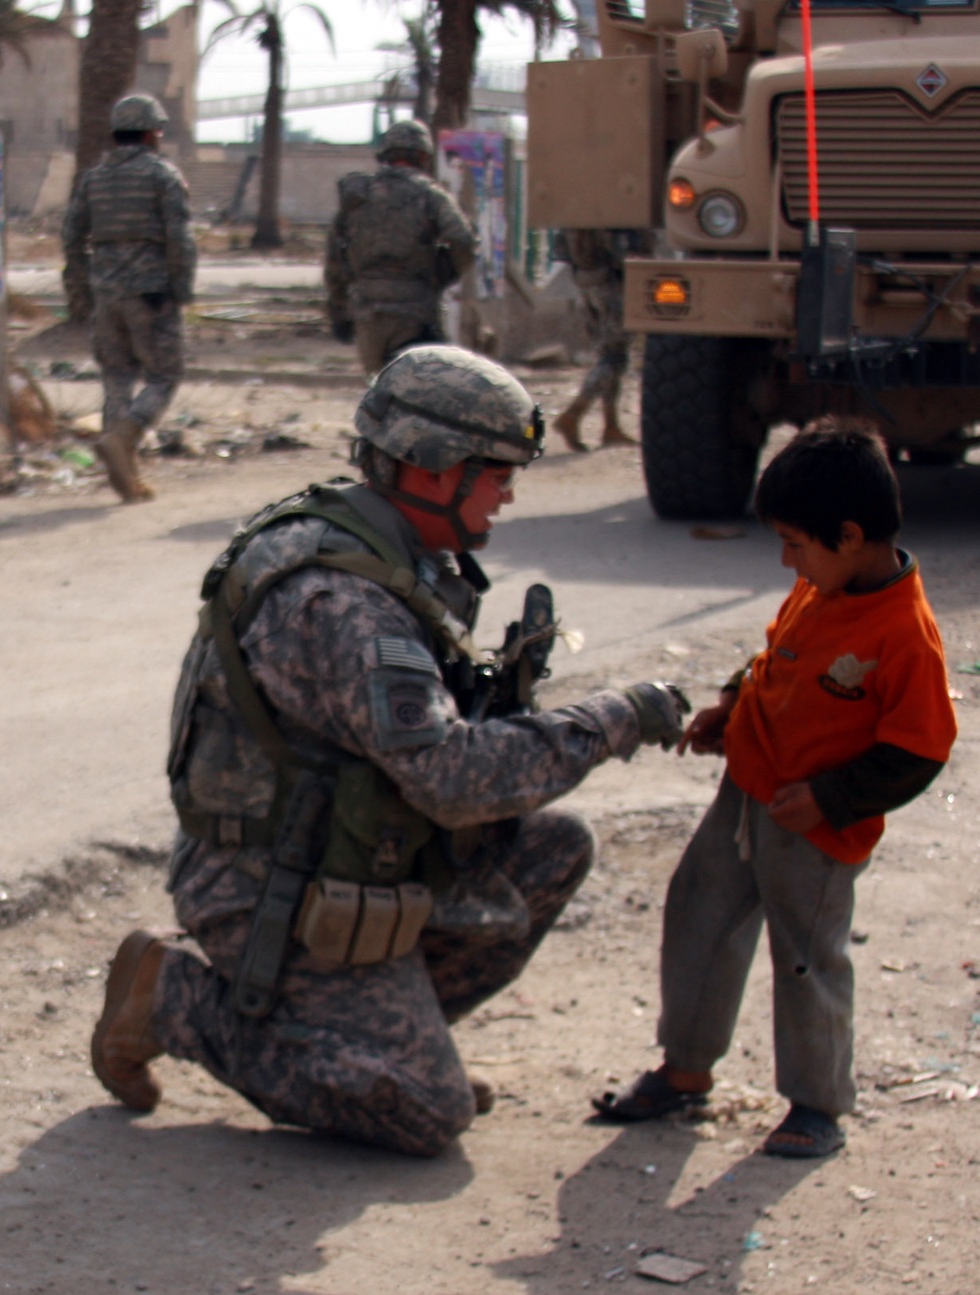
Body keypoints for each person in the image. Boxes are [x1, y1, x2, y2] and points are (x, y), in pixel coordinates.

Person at [90, 345, 692, 1157]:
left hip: (344, 856)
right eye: (498, 471)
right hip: (268, 884)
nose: (510, 492)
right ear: (436, 469)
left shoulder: (381, 544)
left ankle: (371, 1048)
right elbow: (453, 777)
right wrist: (613, 720)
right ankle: (173, 1003)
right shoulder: (344, 600)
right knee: (427, 1114)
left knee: (552, 850)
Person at [593, 418, 957, 1157]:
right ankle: (685, 1070)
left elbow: (919, 750)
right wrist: (730, 710)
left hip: (817, 827)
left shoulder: (903, 633)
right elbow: (774, 660)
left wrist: (831, 799)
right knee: (699, 918)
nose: (789, 560)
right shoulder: (821, 588)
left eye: (796, 543)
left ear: (849, 536)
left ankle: (816, 1104)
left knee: (806, 956)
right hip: (747, 792)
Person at [62, 93, 196, 504]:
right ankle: (125, 438)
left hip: (107, 296)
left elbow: (71, 238)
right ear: (152, 132)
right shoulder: (162, 176)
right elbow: (180, 240)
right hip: (151, 295)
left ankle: (127, 477)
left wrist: (83, 290)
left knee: (117, 379)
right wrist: (181, 290)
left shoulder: (93, 178)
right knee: (163, 376)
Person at [324, 119, 477, 376]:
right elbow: (463, 241)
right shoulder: (430, 195)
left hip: (367, 311)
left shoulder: (359, 196)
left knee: (379, 392)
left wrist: (338, 310)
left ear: (386, 155)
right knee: (420, 392)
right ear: (422, 157)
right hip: (416, 311)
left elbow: (335, 260)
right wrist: (443, 273)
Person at [553, 229, 638, 452]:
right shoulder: (608, 210)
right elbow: (623, 251)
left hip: (585, 282)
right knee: (615, 357)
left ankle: (611, 426)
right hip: (611, 284)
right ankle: (574, 413)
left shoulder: (577, 209)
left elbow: (559, 249)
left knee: (608, 352)